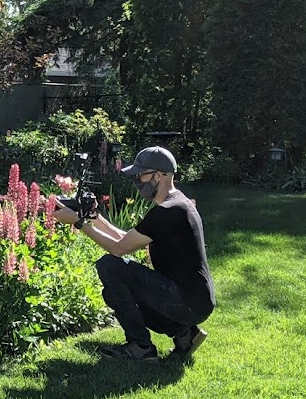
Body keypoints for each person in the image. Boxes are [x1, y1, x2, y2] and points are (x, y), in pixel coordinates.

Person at [49, 146, 215, 361]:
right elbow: (126, 238)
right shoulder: (176, 203)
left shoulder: (168, 211)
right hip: (194, 299)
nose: (137, 181)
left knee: (110, 265)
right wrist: (96, 218)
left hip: (187, 300)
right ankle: (185, 334)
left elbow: (118, 249)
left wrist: (79, 223)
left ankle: (141, 347)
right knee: (112, 294)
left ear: (159, 175)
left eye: (141, 175)